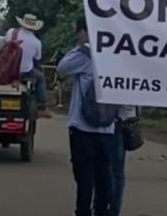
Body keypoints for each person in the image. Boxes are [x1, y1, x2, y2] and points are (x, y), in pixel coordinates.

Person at [58, 17, 115, 216]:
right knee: (104, 176)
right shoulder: (116, 52)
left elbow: (62, 68)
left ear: (83, 31)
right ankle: (102, 212)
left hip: (82, 126)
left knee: (84, 177)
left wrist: (81, 46)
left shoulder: (84, 55)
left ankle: (83, 212)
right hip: (108, 126)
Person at [6, 13, 52, 118]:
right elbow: (37, 60)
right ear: (34, 27)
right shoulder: (36, 42)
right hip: (25, 72)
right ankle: (42, 107)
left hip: (7, 70)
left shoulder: (11, 32)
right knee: (40, 78)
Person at [111, 106, 136, 216]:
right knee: (116, 171)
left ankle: (110, 210)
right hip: (123, 118)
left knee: (113, 170)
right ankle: (111, 210)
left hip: (118, 120)